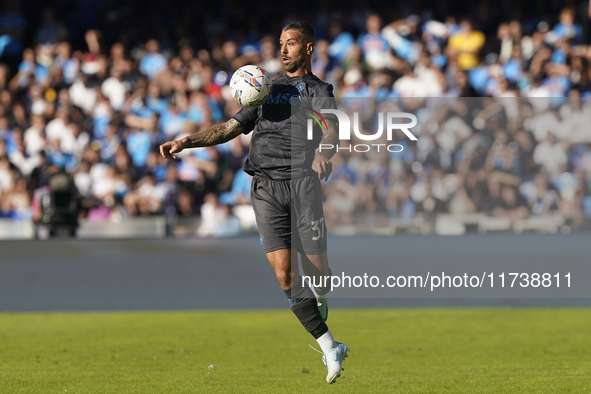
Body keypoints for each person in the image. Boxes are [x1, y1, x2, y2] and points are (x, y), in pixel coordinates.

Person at [159, 21, 349, 384]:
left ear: (308, 48)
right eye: (281, 43)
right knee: (284, 274)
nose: (283, 50)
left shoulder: (319, 90)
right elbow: (229, 128)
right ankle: (329, 345)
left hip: (302, 185)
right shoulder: (264, 88)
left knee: (321, 279)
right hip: (264, 188)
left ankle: (319, 300)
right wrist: (187, 141)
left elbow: (332, 129)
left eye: (291, 43)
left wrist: (324, 152)